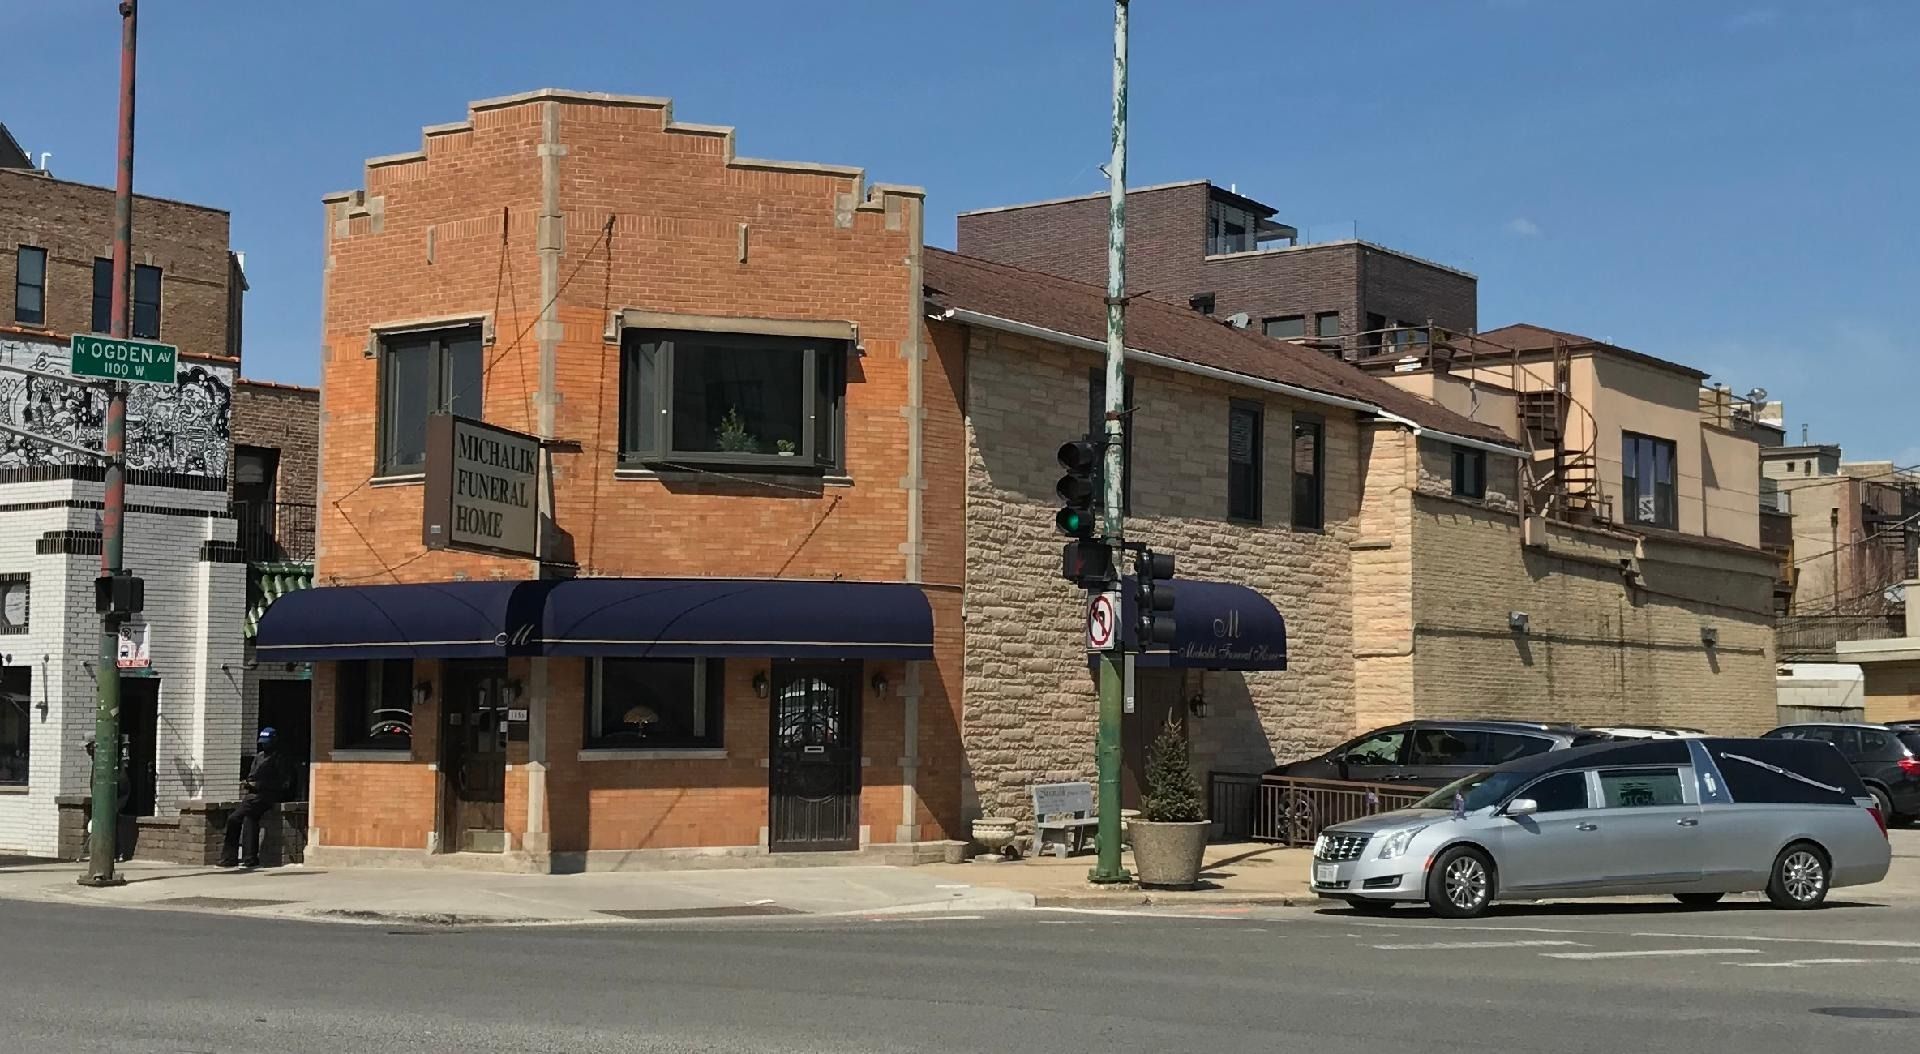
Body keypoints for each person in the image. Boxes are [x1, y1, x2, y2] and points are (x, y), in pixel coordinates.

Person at [221, 727, 291, 869]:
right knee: (249, 818)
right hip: (253, 795)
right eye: (263, 743)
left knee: (235, 818)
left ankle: (233, 857)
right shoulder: (259, 757)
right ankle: (247, 858)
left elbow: (285, 783)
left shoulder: (280, 758)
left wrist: (260, 785)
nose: (265, 745)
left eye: (267, 742)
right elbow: (252, 775)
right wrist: (248, 783)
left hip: (268, 795)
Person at [80, 737, 136, 863]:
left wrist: (116, 803)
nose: (86, 751)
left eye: (87, 747)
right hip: (101, 800)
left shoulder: (110, 760)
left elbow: (123, 783)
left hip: (114, 800)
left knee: (115, 823)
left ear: (94, 746)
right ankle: (104, 852)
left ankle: (118, 853)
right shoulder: (97, 761)